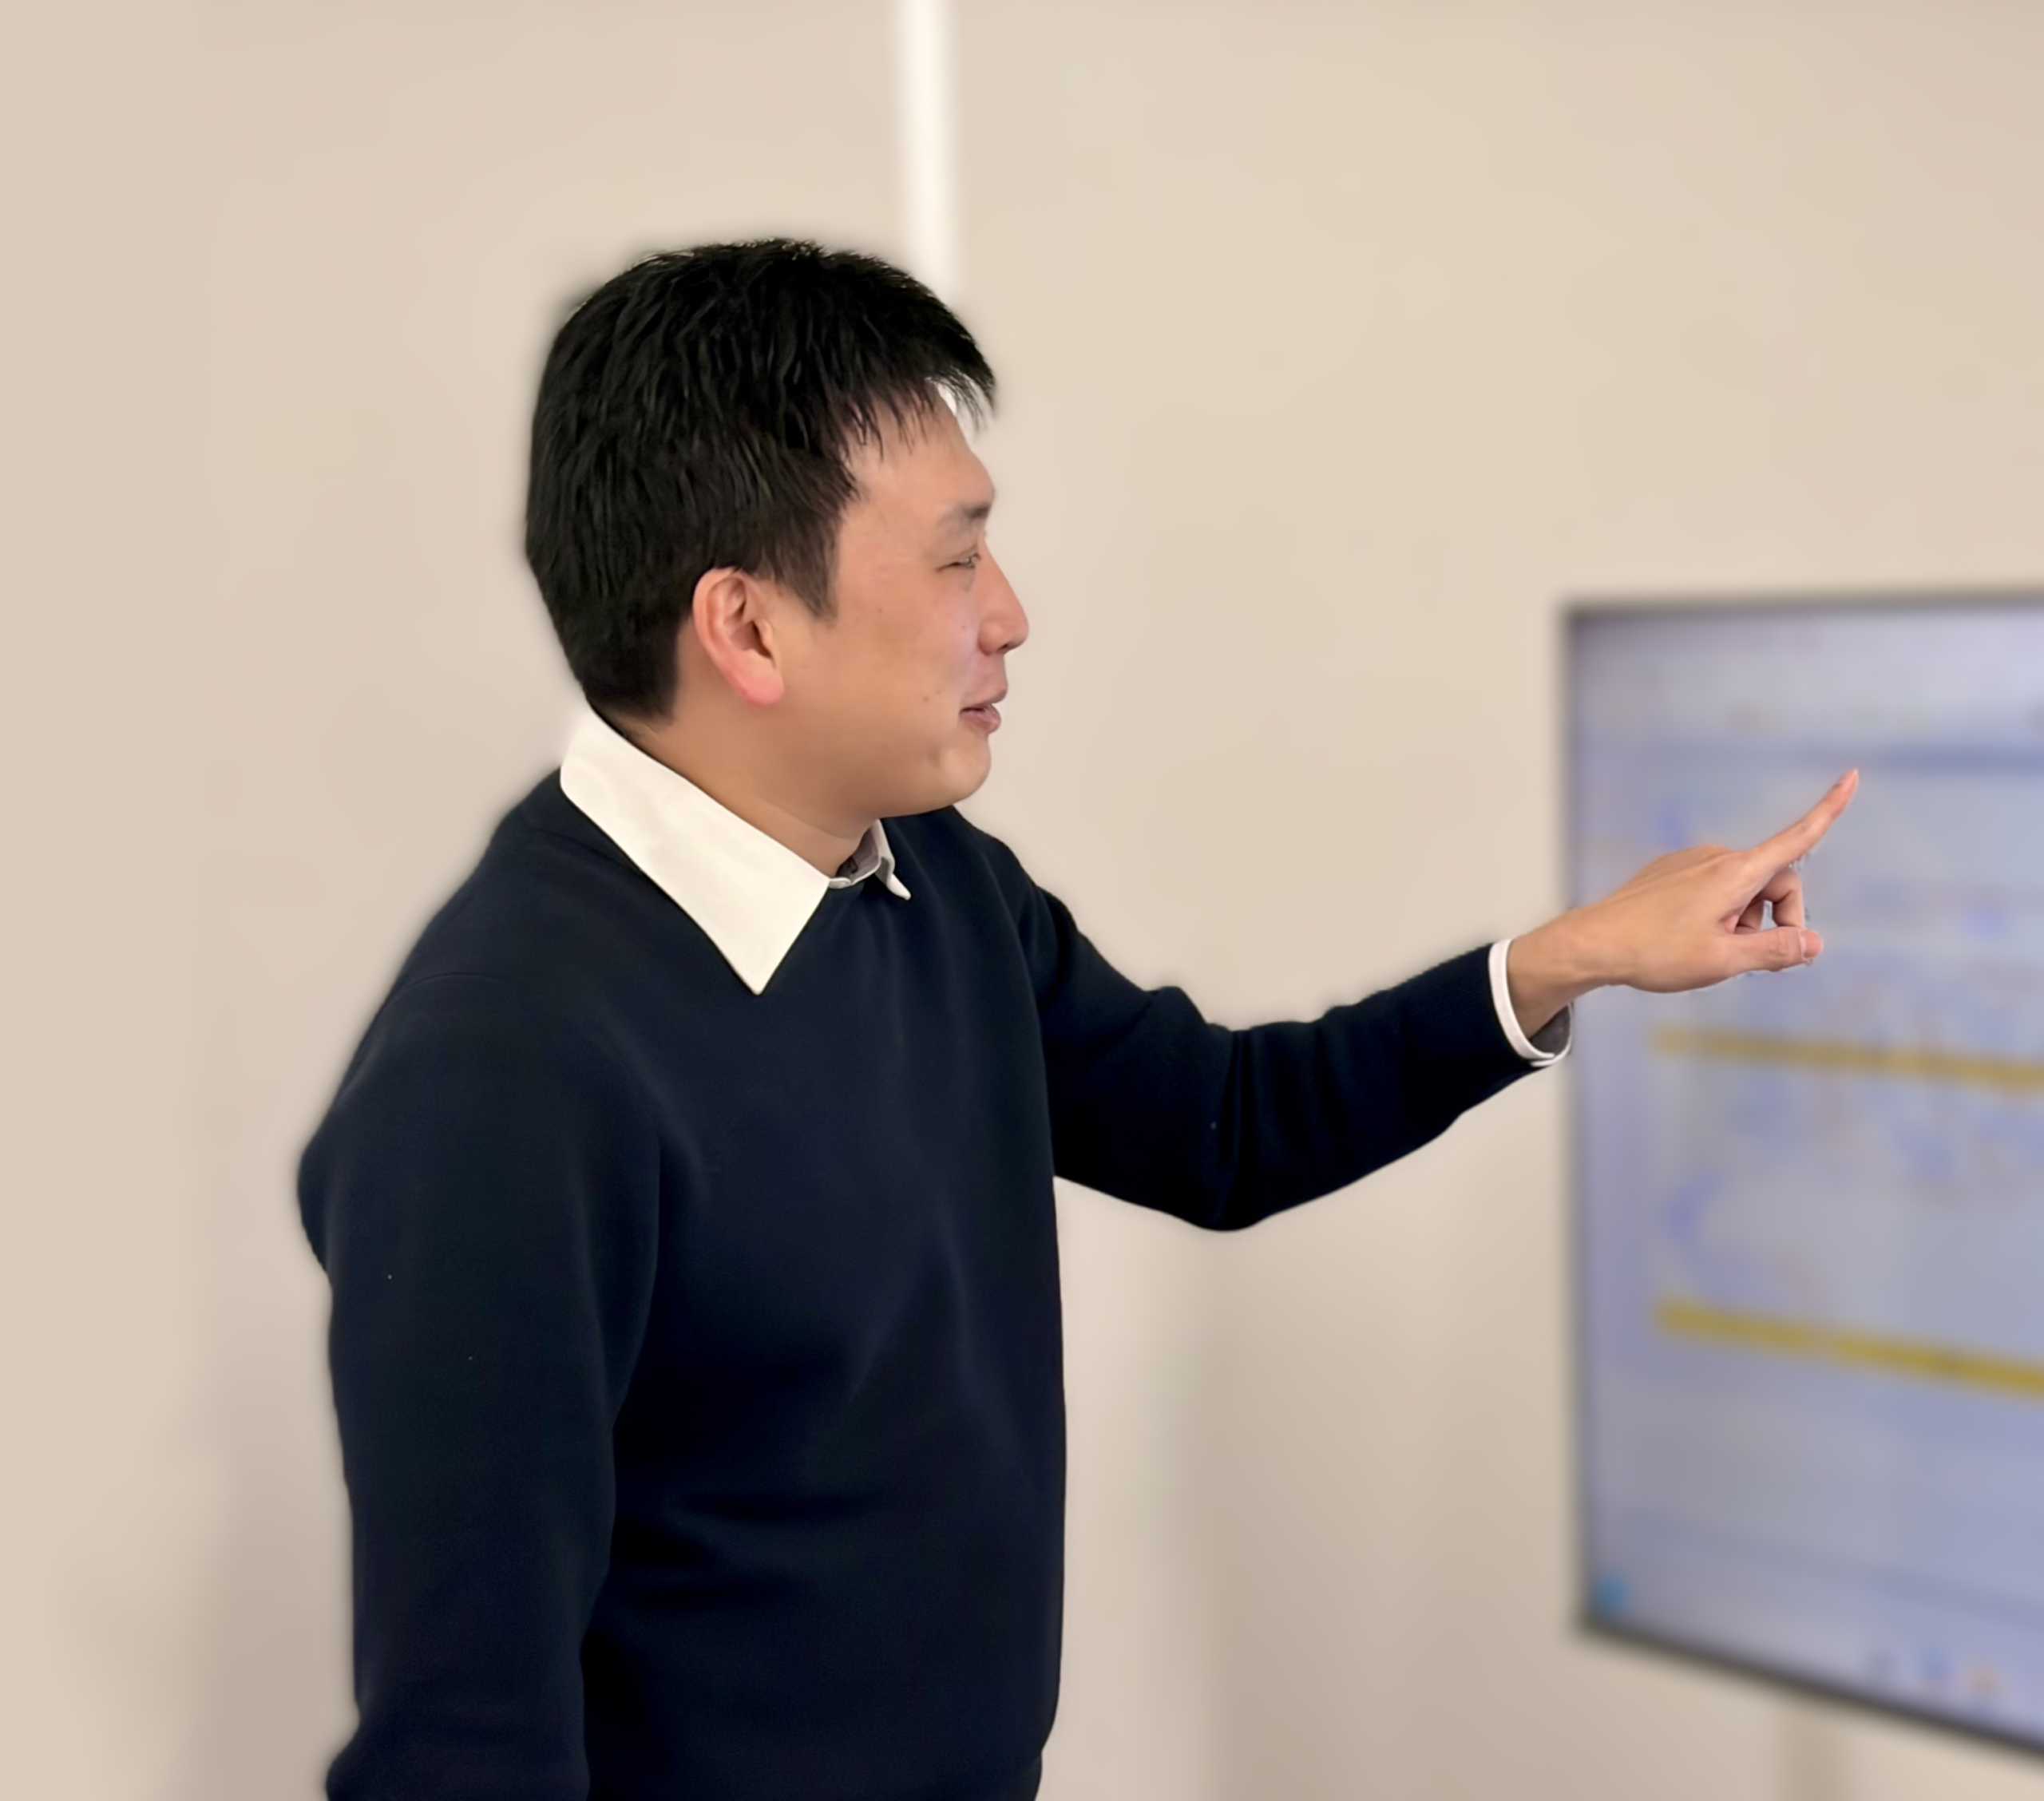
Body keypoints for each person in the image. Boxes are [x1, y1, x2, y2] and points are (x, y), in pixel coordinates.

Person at [298, 239, 1856, 1801]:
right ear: (748, 628)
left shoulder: (935, 884)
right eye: (955, 559)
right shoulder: (503, 1076)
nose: (1012, 615)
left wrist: (1566, 959)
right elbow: (463, 1752)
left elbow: (1223, 1128)